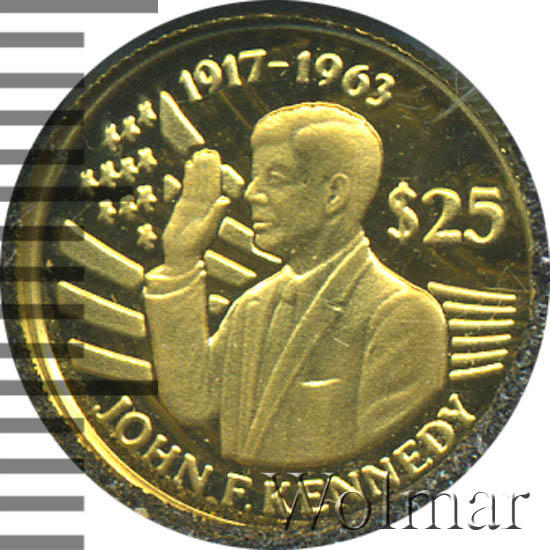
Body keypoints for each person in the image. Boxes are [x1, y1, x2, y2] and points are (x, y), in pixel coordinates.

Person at [144, 102, 448, 469]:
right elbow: (194, 403)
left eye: (275, 178)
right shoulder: (253, 306)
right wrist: (180, 263)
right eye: (255, 177)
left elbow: (386, 465)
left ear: (334, 194)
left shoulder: (402, 314)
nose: (252, 193)